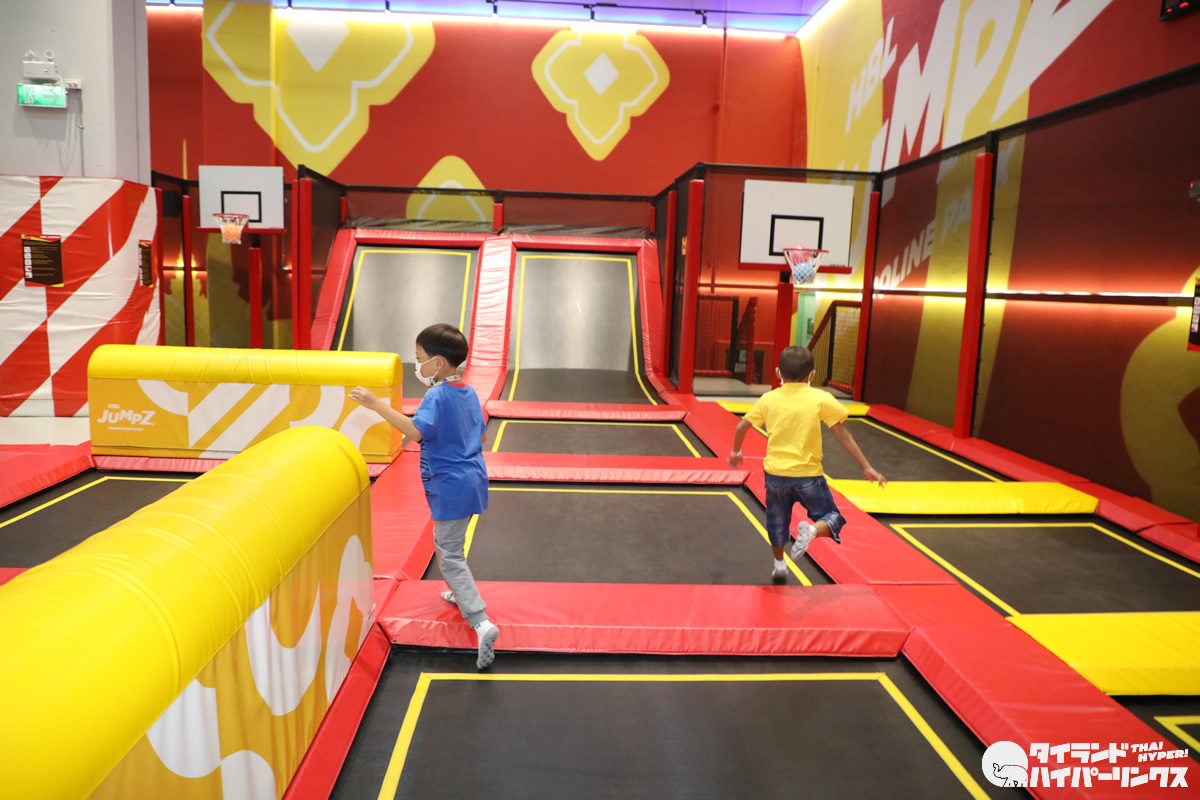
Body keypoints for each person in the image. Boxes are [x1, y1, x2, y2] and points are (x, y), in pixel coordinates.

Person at [349, 323, 500, 669]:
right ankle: (459, 593)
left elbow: (416, 431)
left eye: (420, 359)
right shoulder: (468, 392)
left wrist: (376, 405)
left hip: (452, 485)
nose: (417, 365)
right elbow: (480, 437)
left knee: (449, 553)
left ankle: (480, 621)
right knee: (451, 543)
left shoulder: (437, 396)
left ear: (439, 363)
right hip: (473, 479)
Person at [727, 346, 886, 584]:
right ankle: (811, 531)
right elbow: (841, 432)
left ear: (778, 372)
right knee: (832, 517)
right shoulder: (820, 398)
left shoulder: (769, 399)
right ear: (811, 375)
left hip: (776, 475)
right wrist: (866, 466)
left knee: (777, 521)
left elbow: (742, 426)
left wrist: (736, 452)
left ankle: (779, 565)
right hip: (808, 476)